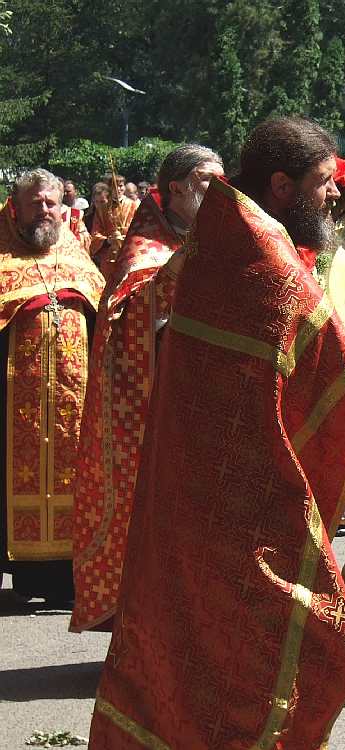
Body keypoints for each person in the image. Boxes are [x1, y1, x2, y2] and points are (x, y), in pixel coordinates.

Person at [86, 117, 345, 750]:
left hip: (178, 525)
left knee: (176, 689)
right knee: (251, 708)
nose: (336, 196)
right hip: (248, 541)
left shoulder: (210, 251)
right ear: (283, 187)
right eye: (325, 183)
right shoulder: (279, 281)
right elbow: (335, 407)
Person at [70, 144, 224, 634]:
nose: (219, 191)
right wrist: (178, 276)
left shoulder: (216, 236)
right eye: (207, 181)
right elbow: (129, 314)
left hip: (208, 404)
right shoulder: (146, 249)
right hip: (157, 408)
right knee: (158, 521)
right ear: (176, 188)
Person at [0, 169, 104, 604]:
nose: (44, 210)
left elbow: (103, 313)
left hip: (71, 402)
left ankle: (62, 578)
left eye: (51, 203)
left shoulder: (77, 255)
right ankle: (18, 574)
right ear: (15, 206)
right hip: (11, 404)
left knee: (72, 480)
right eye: (35, 202)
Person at [89, 173, 140, 281]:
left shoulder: (134, 205)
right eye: (114, 186)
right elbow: (95, 234)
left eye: (121, 185)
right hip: (109, 257)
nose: (118, 189)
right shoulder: (103, 209)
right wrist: (108, 241)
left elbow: (141, 228)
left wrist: (128, 237)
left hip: (130, 253)